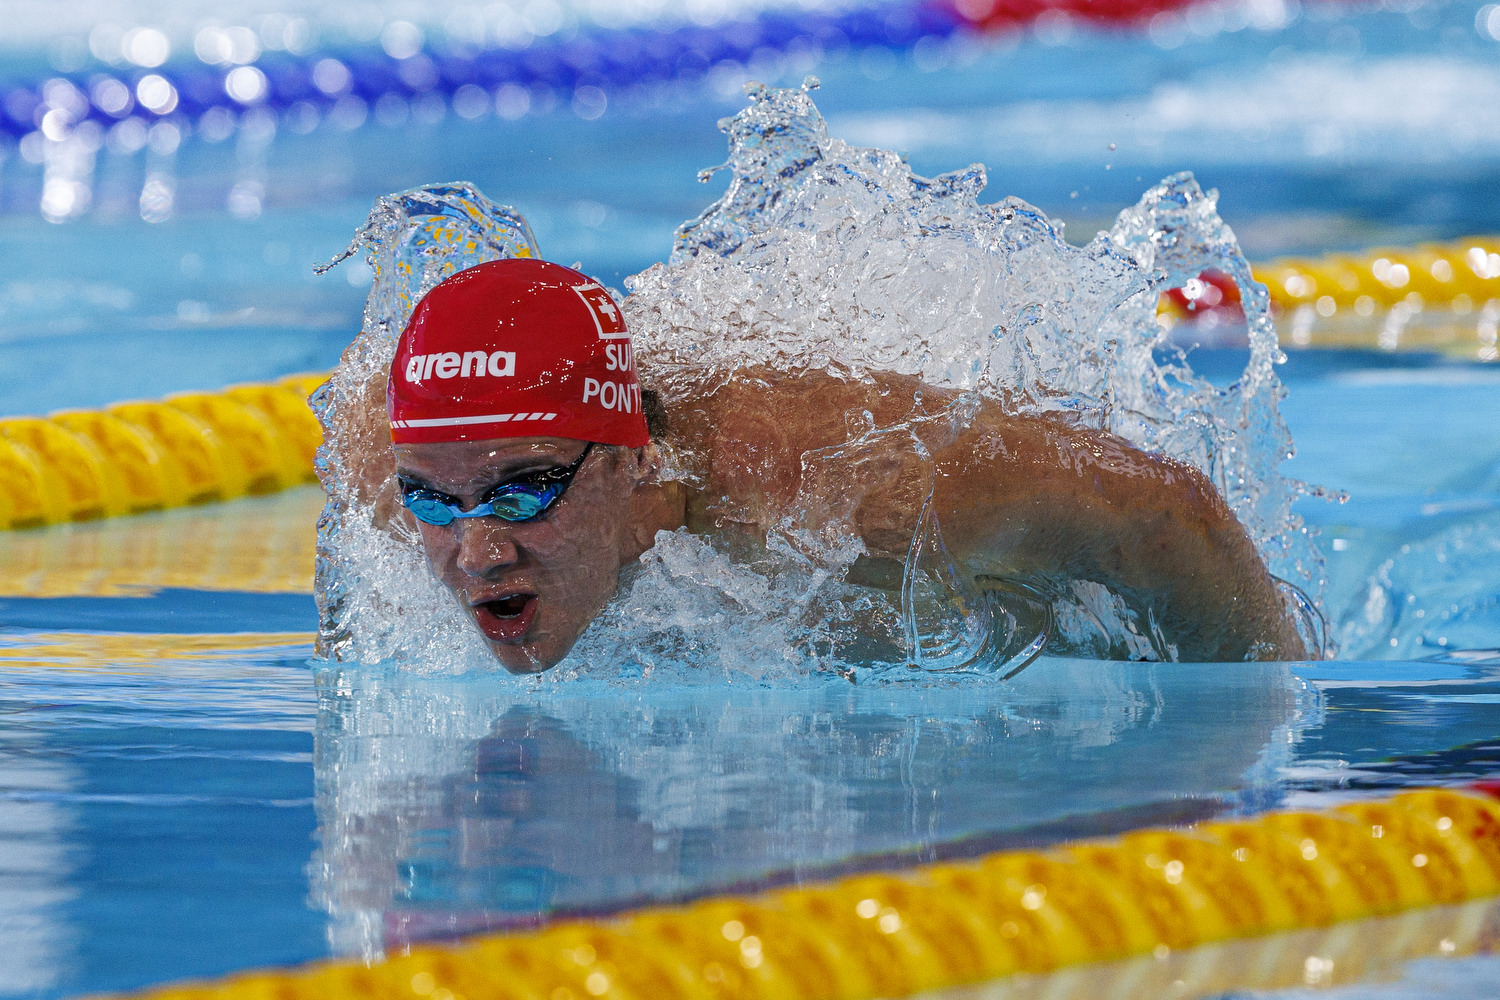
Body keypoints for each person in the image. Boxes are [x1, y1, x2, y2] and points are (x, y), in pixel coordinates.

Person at [345, 257, 1308, 674]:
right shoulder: (394, 476)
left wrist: (1273, 729)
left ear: (631, 460)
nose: (476, 554)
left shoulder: (839, 491)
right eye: (436, 500)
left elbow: (1159, 511)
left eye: (524, 490)